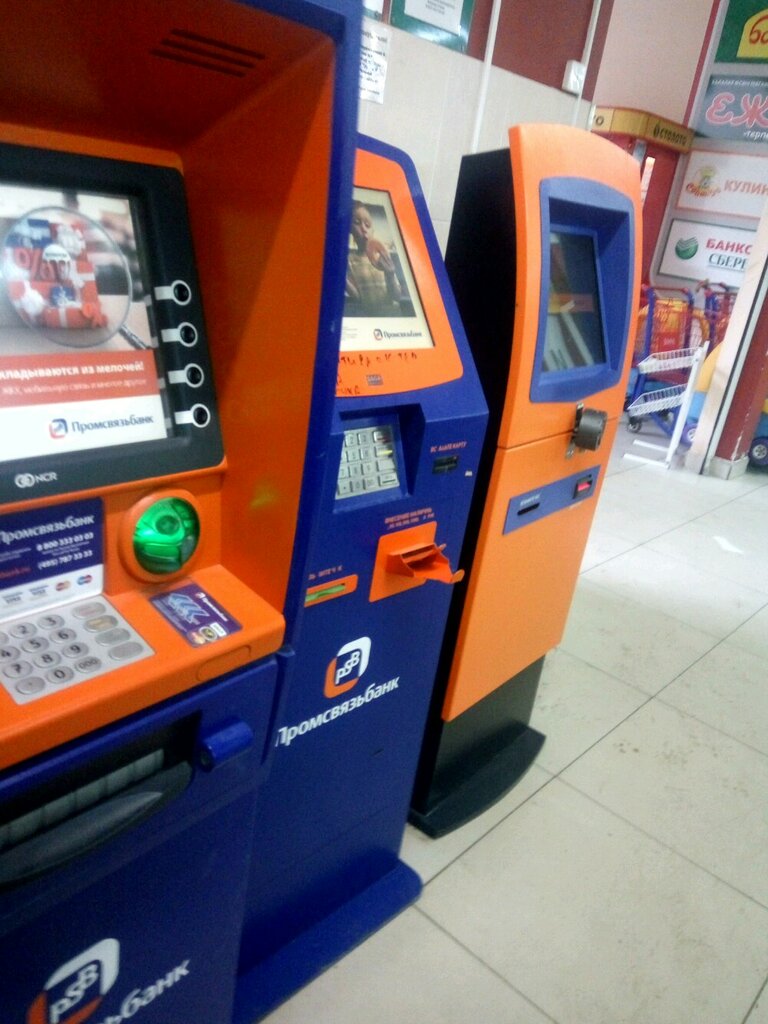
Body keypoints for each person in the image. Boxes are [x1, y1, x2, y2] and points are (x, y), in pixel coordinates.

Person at [345, 200, 404, 314]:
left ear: (373, 230)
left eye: (367, 225)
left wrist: (390, 274)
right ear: (350, 229)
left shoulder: (383, 256)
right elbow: (357, 298)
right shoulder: (349, 260)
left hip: (392, 314)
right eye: (357, 223)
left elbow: (397, 296)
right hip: (369, 317)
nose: (364, 229)